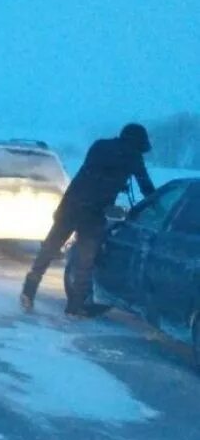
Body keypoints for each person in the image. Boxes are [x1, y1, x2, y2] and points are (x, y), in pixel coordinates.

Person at [21, 123, 155, 316]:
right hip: (93, 213)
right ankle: (75, 307)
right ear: (138, 141)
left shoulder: (99, 145)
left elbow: (95, 172)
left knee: (49, 249)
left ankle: (29, 291)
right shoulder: (133, 157)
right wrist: (156, 204)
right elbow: (146, 187)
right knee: (85, 261)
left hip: (71, 204)